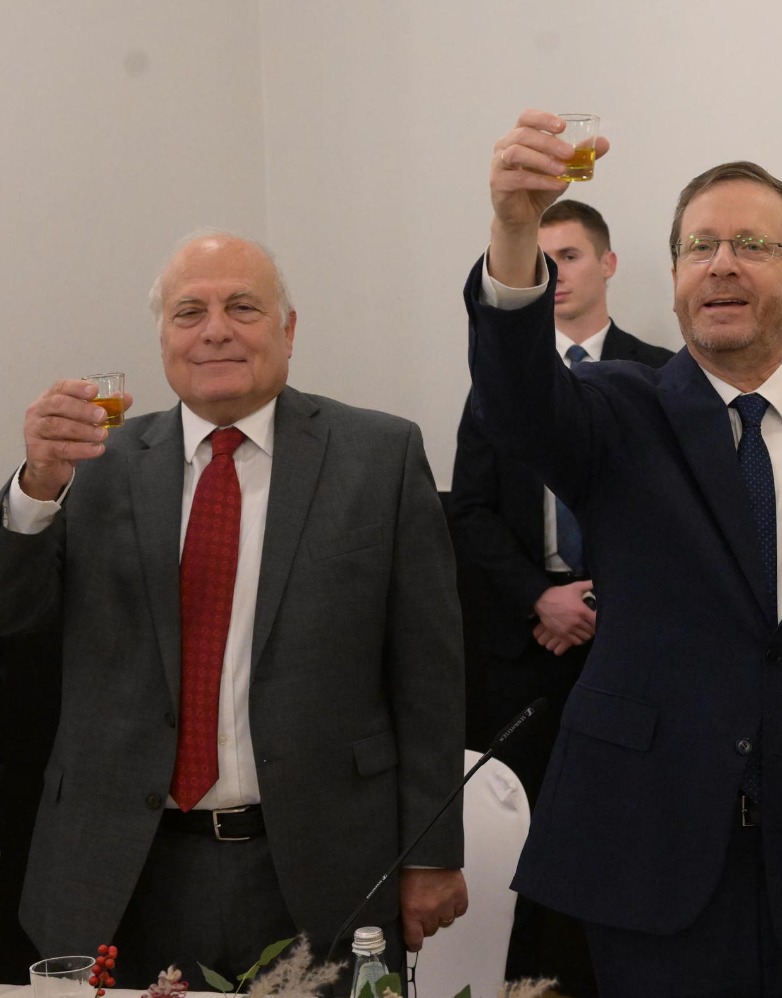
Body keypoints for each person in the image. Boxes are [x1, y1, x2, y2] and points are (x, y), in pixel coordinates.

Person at [462, 109, 782, 995]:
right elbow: (516, 399)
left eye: (751, 244)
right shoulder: (616, 412)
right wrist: (516, 230)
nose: (721, 264)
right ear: (674, 279)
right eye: (699, 246)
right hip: (652, 861)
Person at [0, 233, 469, 988]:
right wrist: (34, 491)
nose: (215, 329)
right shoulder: (93, 463)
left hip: (320, 866)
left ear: (288, 330)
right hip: (121, 871)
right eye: (189, 312)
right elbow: (15, 623)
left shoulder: (379, 455)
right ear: (163, 338)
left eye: (242, 307)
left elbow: (430, 677)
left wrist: (432, 851)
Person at [449, 198, 672, 993]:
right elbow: (468, 511)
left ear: (607, 264)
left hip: (631, 651)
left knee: (631, 842)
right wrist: (540, 600)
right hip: (526, 655)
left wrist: (601, 602)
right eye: (540, 262)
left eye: (569, 256)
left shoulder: (664, 375)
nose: (555, 275)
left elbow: (676, 517)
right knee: (528, 852)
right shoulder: (498, 383)